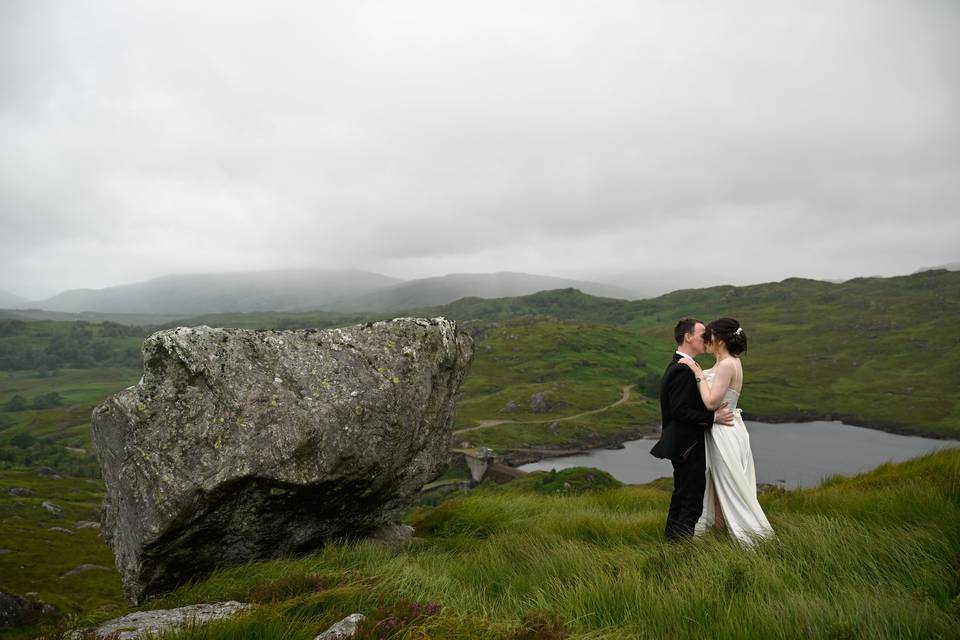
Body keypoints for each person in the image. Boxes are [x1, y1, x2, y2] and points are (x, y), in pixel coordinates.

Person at [678, 317, 775, 545]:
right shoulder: (728, 362)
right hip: (729, 428)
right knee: (720, 484)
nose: (706, 340)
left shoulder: (728, 365)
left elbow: (711, 402)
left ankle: (750, 538)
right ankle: (721, 535)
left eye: (709, 335)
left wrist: (696, 371)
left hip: (724, 432)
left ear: (719, 339)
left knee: (728, 485)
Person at [650, 318, 734, 540]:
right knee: (691, 499)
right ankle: (680, 549)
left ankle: (672, 543)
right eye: (702, 333)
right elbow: (680, 411)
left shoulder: (683, 365)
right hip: (687, 444)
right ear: (688, 337)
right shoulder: (682, 370)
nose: (706, 338)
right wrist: (713, 417)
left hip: (684, 443)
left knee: (682, 495)